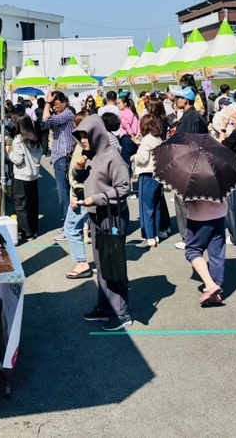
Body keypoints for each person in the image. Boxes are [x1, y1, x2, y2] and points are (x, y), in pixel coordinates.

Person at [73, 115, 133, 331]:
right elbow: (81, 179)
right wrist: (78, 170)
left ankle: (122, 312)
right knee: (100, 263)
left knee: (112, 262)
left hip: (113, 216)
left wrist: (96, 198)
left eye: (85, 136)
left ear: (97, 133)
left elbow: (124, 188)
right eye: (80, 137)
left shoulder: (113, 157)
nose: (83, 141)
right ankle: (105, 306)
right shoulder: (88, 155)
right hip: (96, 215)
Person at [172, 86, 208, 250]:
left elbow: (185, 144)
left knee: (183, 201)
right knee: (194, 202)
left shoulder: (188, 119)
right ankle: (195, 234)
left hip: (188, 165)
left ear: (185, 100)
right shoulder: (197, 117)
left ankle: (188, 237)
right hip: (198, 162)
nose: (175, 100)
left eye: (178, 98)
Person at [44, 91, 76, 241]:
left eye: (56, 105)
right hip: (58, 156)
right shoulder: (62, 115)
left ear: (65, 102)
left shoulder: (68, 114)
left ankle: (69, 227)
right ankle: (67, 224)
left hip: (63, 157)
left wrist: (46, 103)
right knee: (63, 194)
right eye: (53, 105)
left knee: (64, 194)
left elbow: (46, 121)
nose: (54, 108)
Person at [64, 111, 93, 279]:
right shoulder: (90, 144)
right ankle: (98, 261)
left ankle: (81, 262)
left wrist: (75, 193)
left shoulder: (83, 146)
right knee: (92, 227)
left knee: (71, 227)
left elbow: (78, 173)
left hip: (81, 192)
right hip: (86, 191)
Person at [185, 198, 228, 307]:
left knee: (192, 250)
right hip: (219, 214)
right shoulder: (220, 180)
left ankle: (210, 285)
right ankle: (215, 293)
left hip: (199, 217)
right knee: (217, 254)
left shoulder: (192, 181)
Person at [7, 114, 42, 241]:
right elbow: (39, 154)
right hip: (33, 175)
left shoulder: (18, 140)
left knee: (21, 204)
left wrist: (8, 151)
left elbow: (17, 159)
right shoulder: (35, 138)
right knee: (33, 203)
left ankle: (25, 232)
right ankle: (33, 230)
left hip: (21, 176)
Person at [133, 114, 164, 248]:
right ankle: (155, 235)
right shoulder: (158, 139)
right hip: (157, 175)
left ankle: (149, 237)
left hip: (146, 174)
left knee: (146, 207)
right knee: (156, 206)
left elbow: (143, 158)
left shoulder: (146, 139)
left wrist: (135, 157)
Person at [117, 94, 141, 168]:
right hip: (134, 139)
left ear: (125, 104)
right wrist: (135, 137)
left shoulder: (122, 113)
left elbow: (125, 125)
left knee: (125, 162)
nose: (117, 105)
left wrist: (132, 136)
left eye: (119, 103)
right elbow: (138, 127)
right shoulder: (133, 113)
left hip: (127, 138)